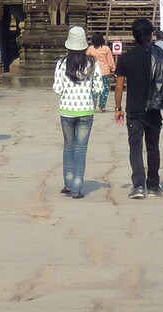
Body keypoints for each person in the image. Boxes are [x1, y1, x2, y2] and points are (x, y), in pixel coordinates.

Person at [115, 18, 163, 199]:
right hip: (154, 108)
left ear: (133, 36)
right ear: (151, 35)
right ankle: (153, 185)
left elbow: (119, 86)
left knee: (135, 147)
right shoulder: (159, 57)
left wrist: (118, 108)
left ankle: (138, 186)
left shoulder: (126, 58)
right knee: (153, 146)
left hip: (134, 109)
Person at [54, 27, 99, 198]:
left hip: (67, 110)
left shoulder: (61, 64)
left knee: (68, 147)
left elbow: (57, 88)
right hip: (86, 110)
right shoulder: (91, 64)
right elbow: (98, 88)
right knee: (80, 149)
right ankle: (77, 188)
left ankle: (68, 183)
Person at [86, 33, 116, 112]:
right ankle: (101, 107)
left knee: (94, 90)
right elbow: (110, 60)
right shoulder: (106, 49)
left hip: (94, 72)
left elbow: (86, 60)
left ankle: (92, 106)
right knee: (104, 90)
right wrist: (113, 69)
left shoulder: (90, 49)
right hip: (104, 71)